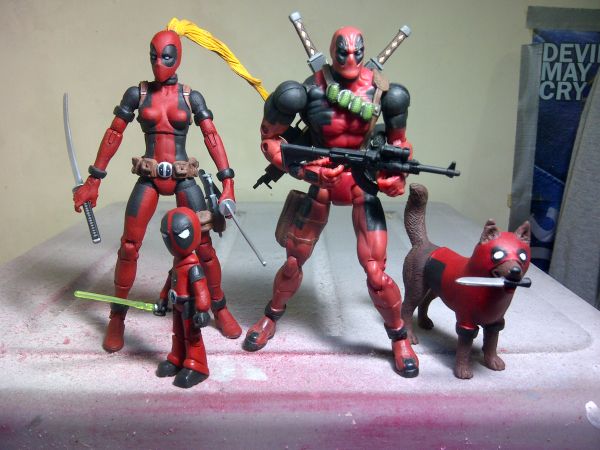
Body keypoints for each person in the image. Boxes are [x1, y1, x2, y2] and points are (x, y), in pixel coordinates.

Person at [243, 26, 419, 377]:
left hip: (361, 182)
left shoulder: (386, 94)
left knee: (376, 272)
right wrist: (305, 170)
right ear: (332, 51)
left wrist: (395, 177)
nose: (350, 60)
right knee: (293, 261)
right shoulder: (305, 91)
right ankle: (271, 316)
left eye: (357, 53)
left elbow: (400, 145)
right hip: (322, 179)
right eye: (343, 53)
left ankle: (399, 337)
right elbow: (269, 140)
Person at [73, 29, 241, 352]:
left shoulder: (191, 97)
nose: (159, 63)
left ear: (178, 58)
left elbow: (212, 136)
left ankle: (219, 306)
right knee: (129, 245)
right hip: (149, 177)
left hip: (184, 177)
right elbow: (114, 133)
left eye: (166, 56)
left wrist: (228, 184)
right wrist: (94, 180)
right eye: (154, 56)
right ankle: (117, 316)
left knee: (204, 247)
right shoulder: (137, 94)